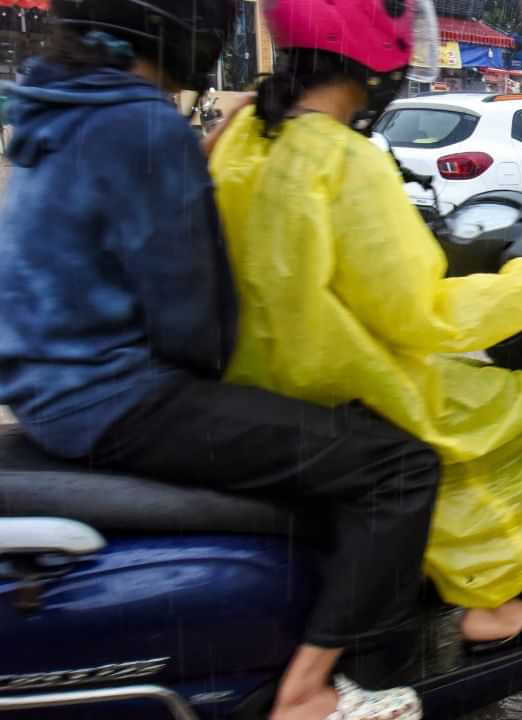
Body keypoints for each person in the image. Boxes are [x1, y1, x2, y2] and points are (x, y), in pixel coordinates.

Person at [0, 3, 436, 719]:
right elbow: (198, 333)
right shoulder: (142, 125)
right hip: (119, 399)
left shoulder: (58, 102)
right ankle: (310, 693)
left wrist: (199, 153)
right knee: (398, 466)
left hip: (45, 390)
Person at [207, 0, 522, 651]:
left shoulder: (245, 136)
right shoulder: (347, 161)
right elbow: (423, 313)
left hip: (255, 381)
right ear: (376, 48)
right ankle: (492, 601)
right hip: (344, 382)